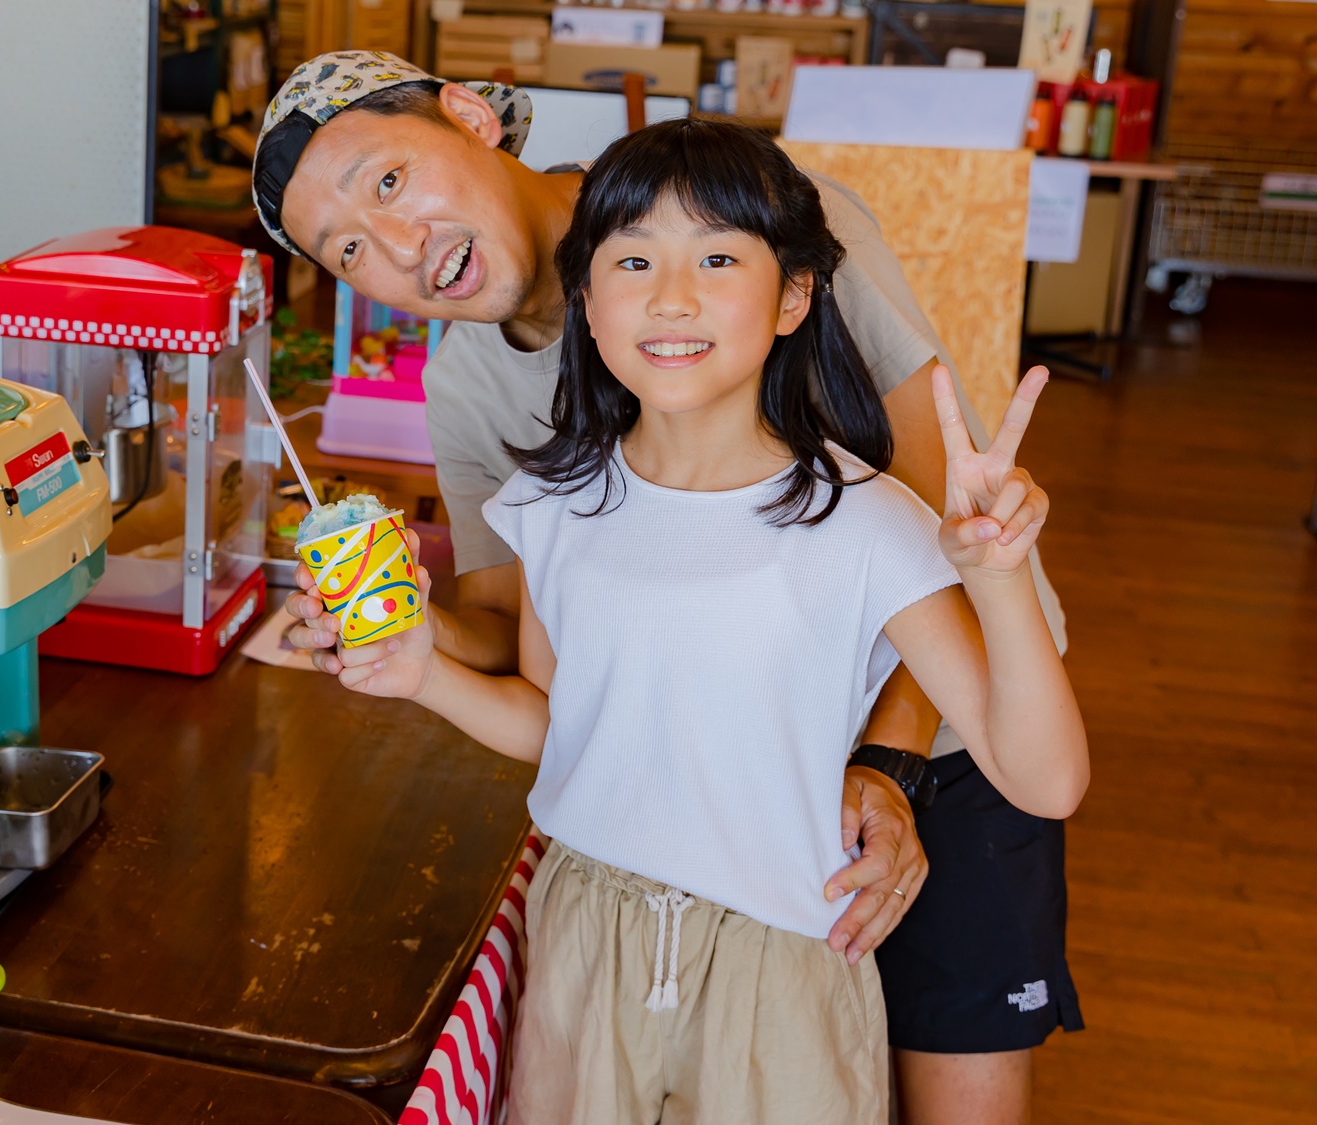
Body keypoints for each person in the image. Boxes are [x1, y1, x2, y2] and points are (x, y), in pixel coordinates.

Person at [255, 53, 1084, 1123]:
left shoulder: (752, 210)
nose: (403, 247)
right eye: (350, 249)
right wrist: (402, 635)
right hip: (616, 917)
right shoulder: (527, 455)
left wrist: (890, 760)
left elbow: (938, 532)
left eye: (386, 183)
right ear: (591, 314)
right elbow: (539, 661)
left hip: (922, 756)